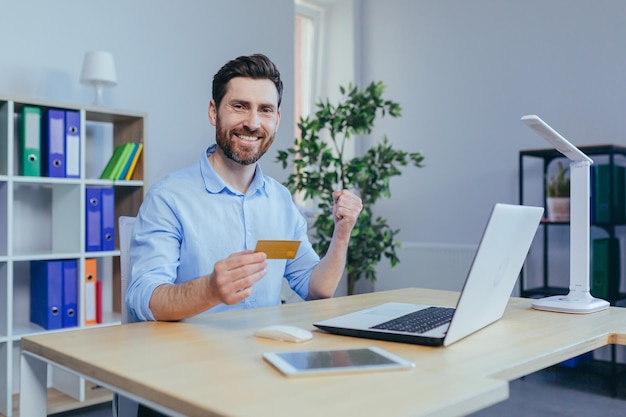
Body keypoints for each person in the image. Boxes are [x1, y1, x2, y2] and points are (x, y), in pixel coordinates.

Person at [126, 53, 363, 324]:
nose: (253, 122)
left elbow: (316, 289)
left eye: (265, 109)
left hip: (268, 352)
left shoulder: (281, 200)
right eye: (239, 106)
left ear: (277, 118)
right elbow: (143, 299)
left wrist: (342, 234)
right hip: (195, 359)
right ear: (213, 112)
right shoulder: (168, 198)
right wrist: (210, 290)